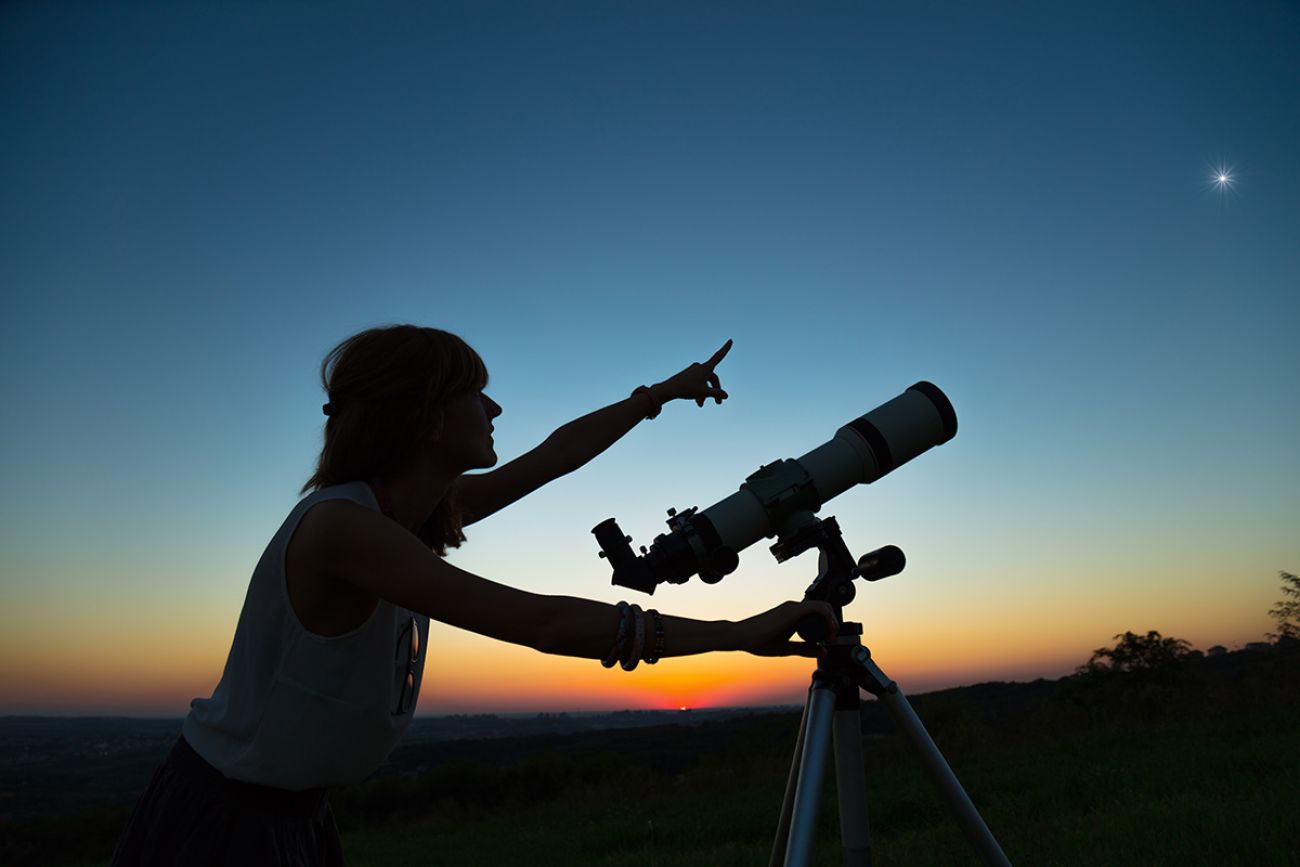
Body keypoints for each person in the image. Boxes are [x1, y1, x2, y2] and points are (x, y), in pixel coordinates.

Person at [110, 324, 836, 866]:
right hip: (227, 825)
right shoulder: (343, 528)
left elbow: (553, 456)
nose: (493, 406)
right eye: (472, 392)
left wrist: (659, 395)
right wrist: (735, 632)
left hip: (290, 815)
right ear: (425, 415)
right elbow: (541, 619)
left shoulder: (408, 512)